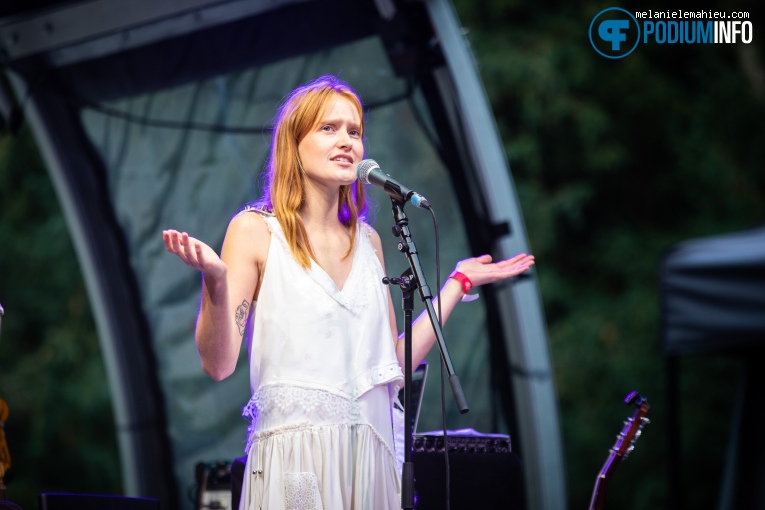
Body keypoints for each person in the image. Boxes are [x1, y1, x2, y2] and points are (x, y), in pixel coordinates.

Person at [162, 75, 534, 510]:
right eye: (329, 128)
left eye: (354, 131)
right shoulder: (256, 231)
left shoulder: (370, 242)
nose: (347, 141)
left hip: (370, 462)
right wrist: (216, 281)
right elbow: (219, 363)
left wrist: (458, 284)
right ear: (293, 144)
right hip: (297, 463)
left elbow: (391, 363)